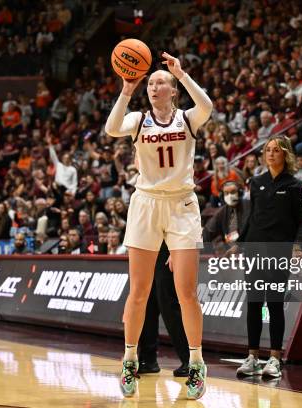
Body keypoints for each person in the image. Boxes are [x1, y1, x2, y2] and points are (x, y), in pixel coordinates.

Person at [105, 51, 212, 399]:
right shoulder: (137, 119)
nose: (153, 86)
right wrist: (126, 89)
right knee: (139, 291)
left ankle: (196, 363)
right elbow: (110, 128)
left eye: (159, 82)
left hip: (182, 205)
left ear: (172, 90)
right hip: (146, 204)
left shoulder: (187, 118)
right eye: (150, 83)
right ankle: (130, 359)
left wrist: (181, 74)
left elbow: (207, 104)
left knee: (186, 292)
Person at [235, 135, 302, 379]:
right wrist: (240, 243)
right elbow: (251, 216)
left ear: (285, 154)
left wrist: (297, 246)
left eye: (276, 150)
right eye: (268, 150)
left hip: (279, 251)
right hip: (254, 249)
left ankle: (275, 358)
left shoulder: (295, 185)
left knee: (275, 303)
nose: (271, 154)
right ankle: (253, 357)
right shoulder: (256, 182)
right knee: (254, 303)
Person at [138, 242, 190, 378]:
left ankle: (190, 359)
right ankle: (148, 360)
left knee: (168, 305)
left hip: (167, 248)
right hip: (148, 248)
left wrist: (174, 250)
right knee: (147, 305)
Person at [202, 181, 250, 254]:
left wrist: (240, 246)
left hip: (249, 249)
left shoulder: (249, 207)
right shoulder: (222, 212)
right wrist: (198, 247)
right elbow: (208, 231)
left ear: (239, 193)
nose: (230, 196)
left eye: (233, 192)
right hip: (230, 252)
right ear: (222, 196)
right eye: (226, 193)